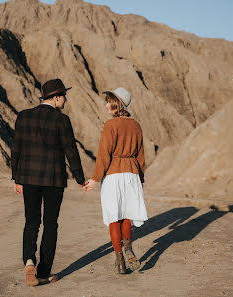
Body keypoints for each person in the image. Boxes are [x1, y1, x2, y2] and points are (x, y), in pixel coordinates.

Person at [11, 79, 86, 286]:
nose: (65, 99)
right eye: (64, 96)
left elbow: (16, 149)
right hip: (53, 180)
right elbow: (71, 151)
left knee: (31, 221)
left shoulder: (23, 117)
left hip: (28, 178)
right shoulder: (61, 120)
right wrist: (80, 178)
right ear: (56, 98)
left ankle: (28, 261)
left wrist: (16, 178)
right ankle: (43, 273)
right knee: (50, 223)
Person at [84, 87, 148, 274]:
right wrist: (140, 178)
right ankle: (128, 248)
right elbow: (141, 155)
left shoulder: (110, 125)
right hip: (131, 174)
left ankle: (120, 261)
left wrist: (95, 178)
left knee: (114, 217)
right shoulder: (136, 125)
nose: (106, 105)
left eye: (108, 101)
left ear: (116, 103)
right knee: (127, 214)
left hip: (113, 174)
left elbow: (104, 154)